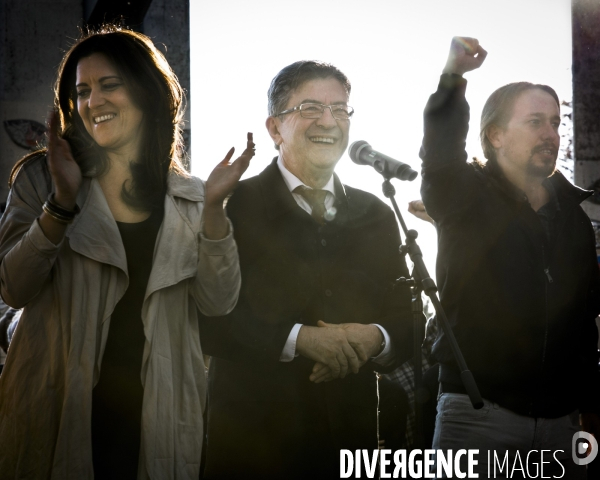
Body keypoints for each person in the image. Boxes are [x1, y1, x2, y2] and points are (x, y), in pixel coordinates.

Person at [0, 26, 254, 479]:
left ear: (147, 92)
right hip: (59, 407)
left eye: (109, 85)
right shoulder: (41, 178)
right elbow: (13, 289)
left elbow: (218, 303)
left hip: (159, 415)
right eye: (81, 91)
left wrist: (214, 209)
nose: (92, 101)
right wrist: (60, 203)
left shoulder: (193, 197)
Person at [198, 60, 414, 479]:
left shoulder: (376, 214)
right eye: (311, 108)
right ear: (275, 128)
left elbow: (409, 320)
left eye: (341, 109)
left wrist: (371, 338)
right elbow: (208, 321)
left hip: (350, 449)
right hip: (252, 448)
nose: (329, 121)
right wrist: (302, 340)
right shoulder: (229, 207)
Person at [420, 37, 600, 477]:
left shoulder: (575, 219)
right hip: (477, 416)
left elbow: (583, 322)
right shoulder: (462, 198)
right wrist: (453, 77)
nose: (551, 134)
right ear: (495, 135)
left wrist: (589, 405)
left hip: (561, 425)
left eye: (555, 123)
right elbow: (441, 152)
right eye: (535, 121)